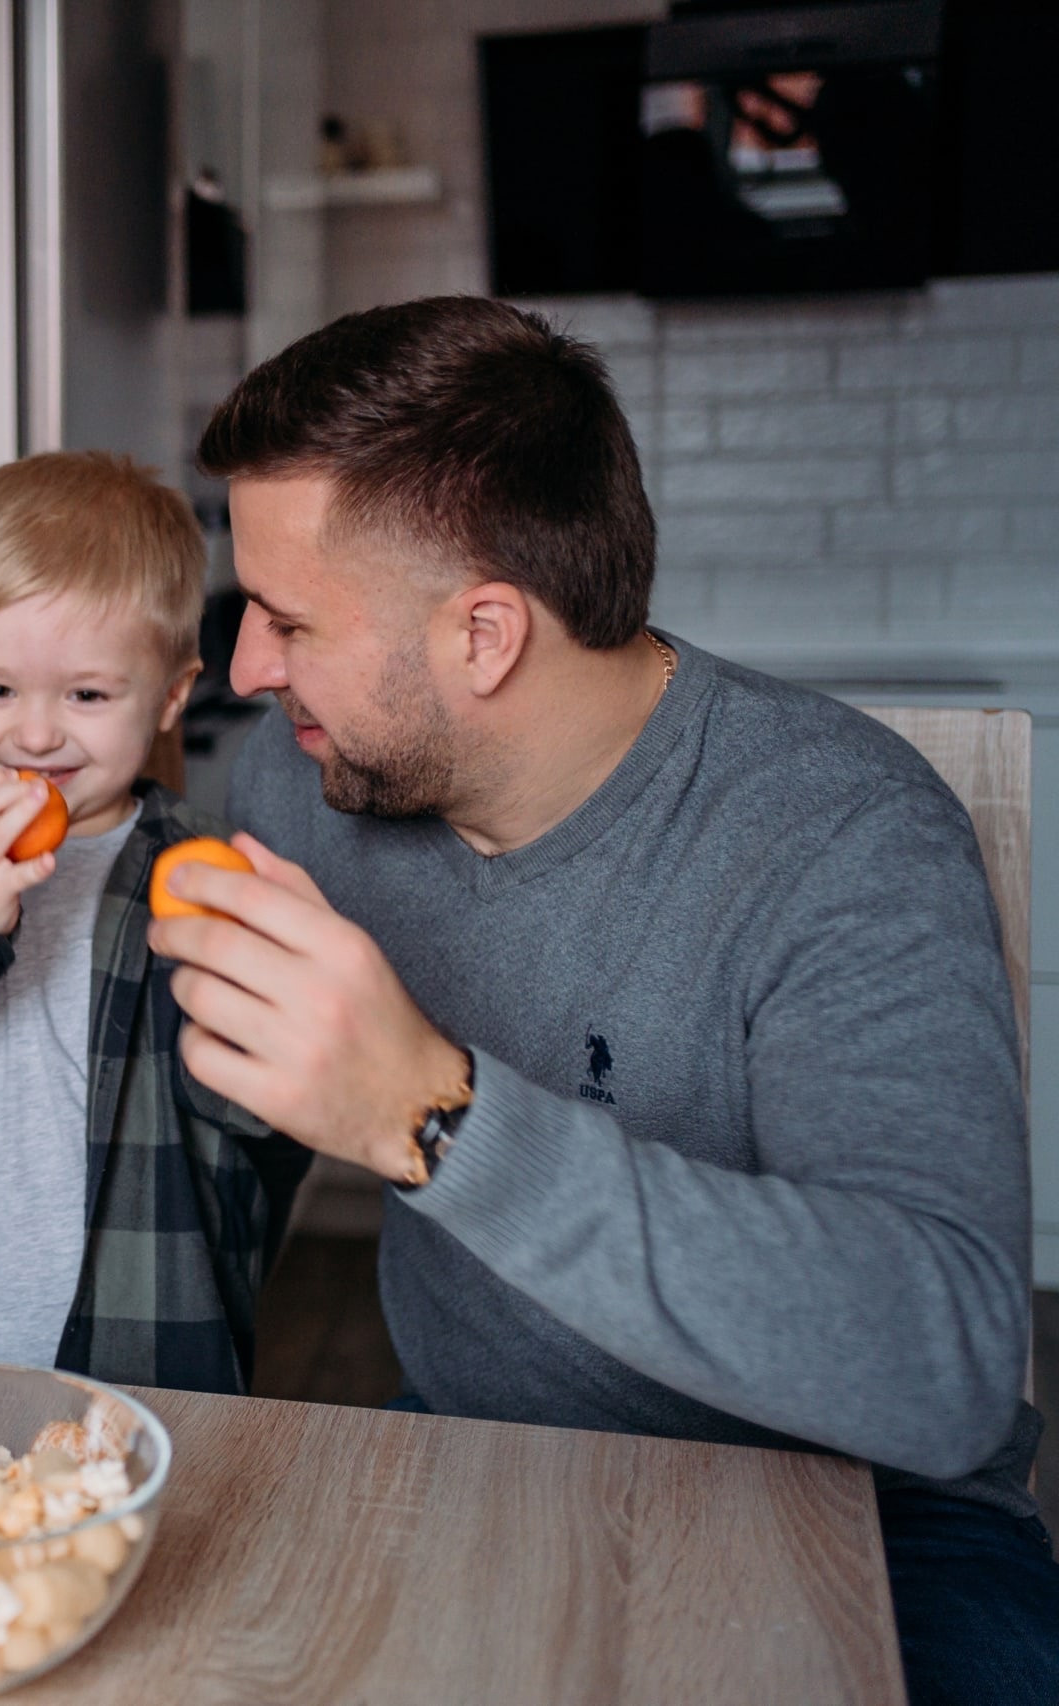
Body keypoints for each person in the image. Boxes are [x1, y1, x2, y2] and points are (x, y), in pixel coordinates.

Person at [150, 295, 1057, 1703]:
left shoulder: (843, 835)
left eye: (286, 619)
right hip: (476, 1450)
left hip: (884, 1519)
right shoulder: (305, 784)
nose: (252, 668)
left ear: (487, 635)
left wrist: (431, 1114)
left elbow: (937, 1360)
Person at [0, 451, 309, 1390]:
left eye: (86, 695)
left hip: (141, 1358)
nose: (36, 735)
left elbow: (269, 1120)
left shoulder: (207, 874)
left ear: (168, 695)